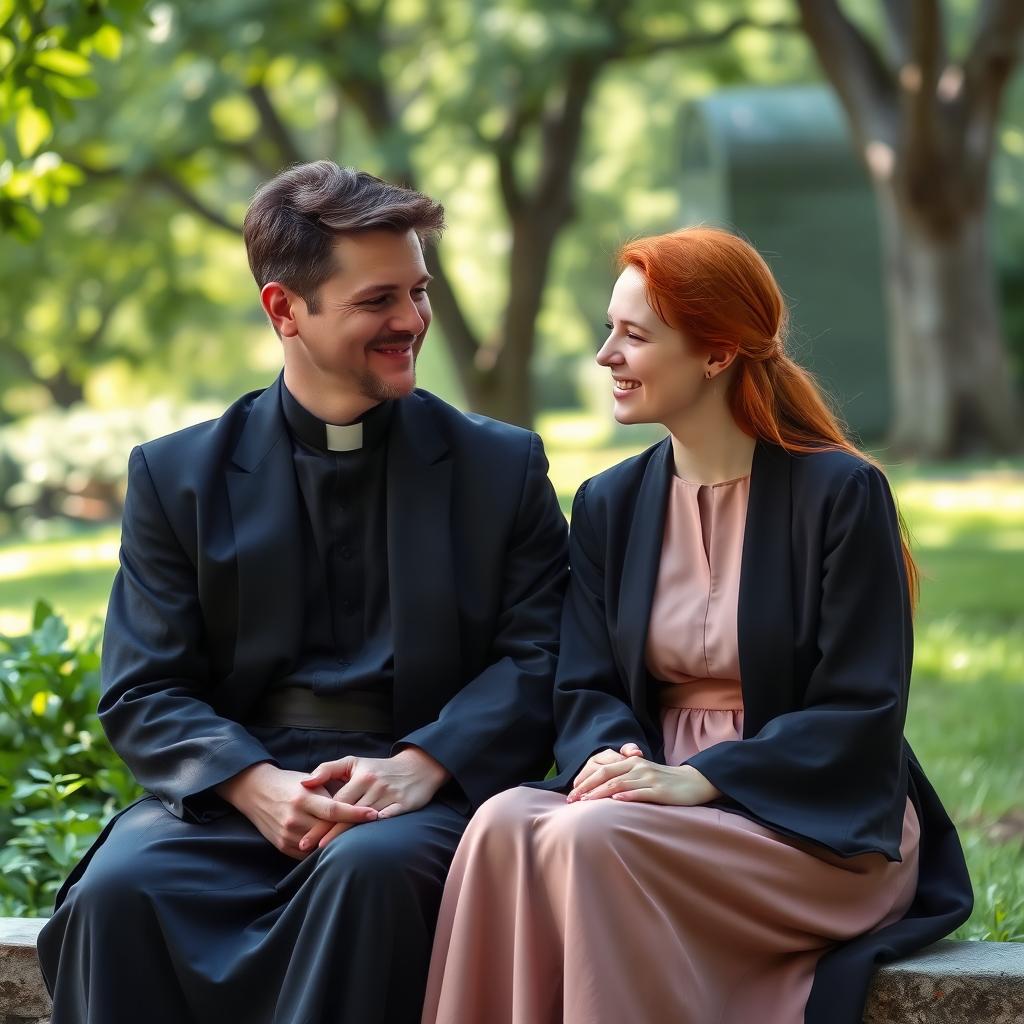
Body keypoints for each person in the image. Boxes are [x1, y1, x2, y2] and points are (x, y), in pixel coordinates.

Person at [36, 162, 568, 1024]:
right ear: (284, 309)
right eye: (377, 301)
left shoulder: (499, 467)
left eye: (418, 292)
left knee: (369, 873)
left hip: (421, 791)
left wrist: (420, 766)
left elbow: (543, 654)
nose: (411, 321)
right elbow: (143, 687)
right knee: (120, 891)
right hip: (232, 798)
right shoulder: (178, 478)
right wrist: (254, 784)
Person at [421, 227, 973, 1024]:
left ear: (717, 355)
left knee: (589, 840)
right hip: (647, 796)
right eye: (608, 329)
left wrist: (703, 781)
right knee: (502, 822)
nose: (606, 354)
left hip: (809, 823)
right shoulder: (609, 502)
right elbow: (585, 685)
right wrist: (622, 763)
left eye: (634, 335)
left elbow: (862, 706)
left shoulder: (841, 494)